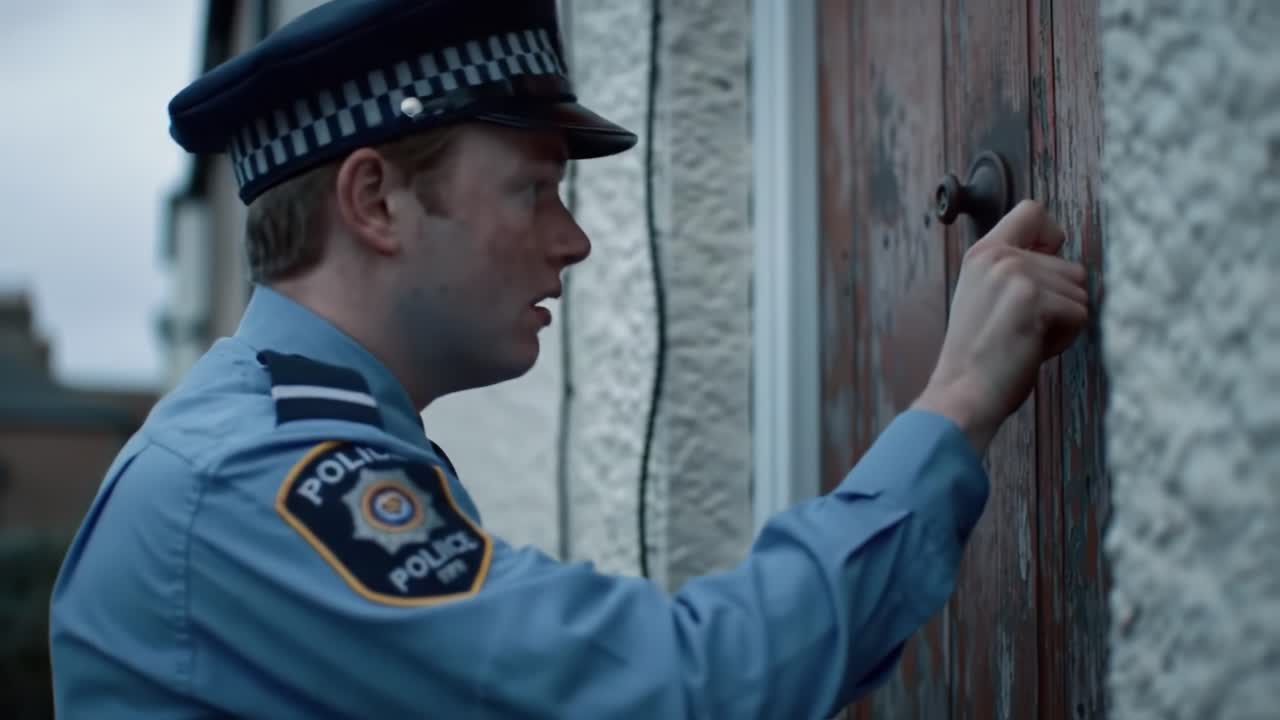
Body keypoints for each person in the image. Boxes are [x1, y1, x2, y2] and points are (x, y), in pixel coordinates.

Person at [47, 0, 1090, 717]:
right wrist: (954, 403)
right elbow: (683, 691)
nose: (573, 239)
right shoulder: (257, 485)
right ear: (374, 201)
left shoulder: (279, 442)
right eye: (533, 189)